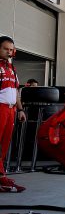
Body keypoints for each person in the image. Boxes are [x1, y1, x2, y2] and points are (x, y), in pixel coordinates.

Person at [0, 36, 26, 192]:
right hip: (1, 108)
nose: (9, 52)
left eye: (11, 49)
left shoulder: (12, 68)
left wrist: (21, 109)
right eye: (5, 49)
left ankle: (1, 175)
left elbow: (16, 91)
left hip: (11, 110)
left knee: (4, 144)